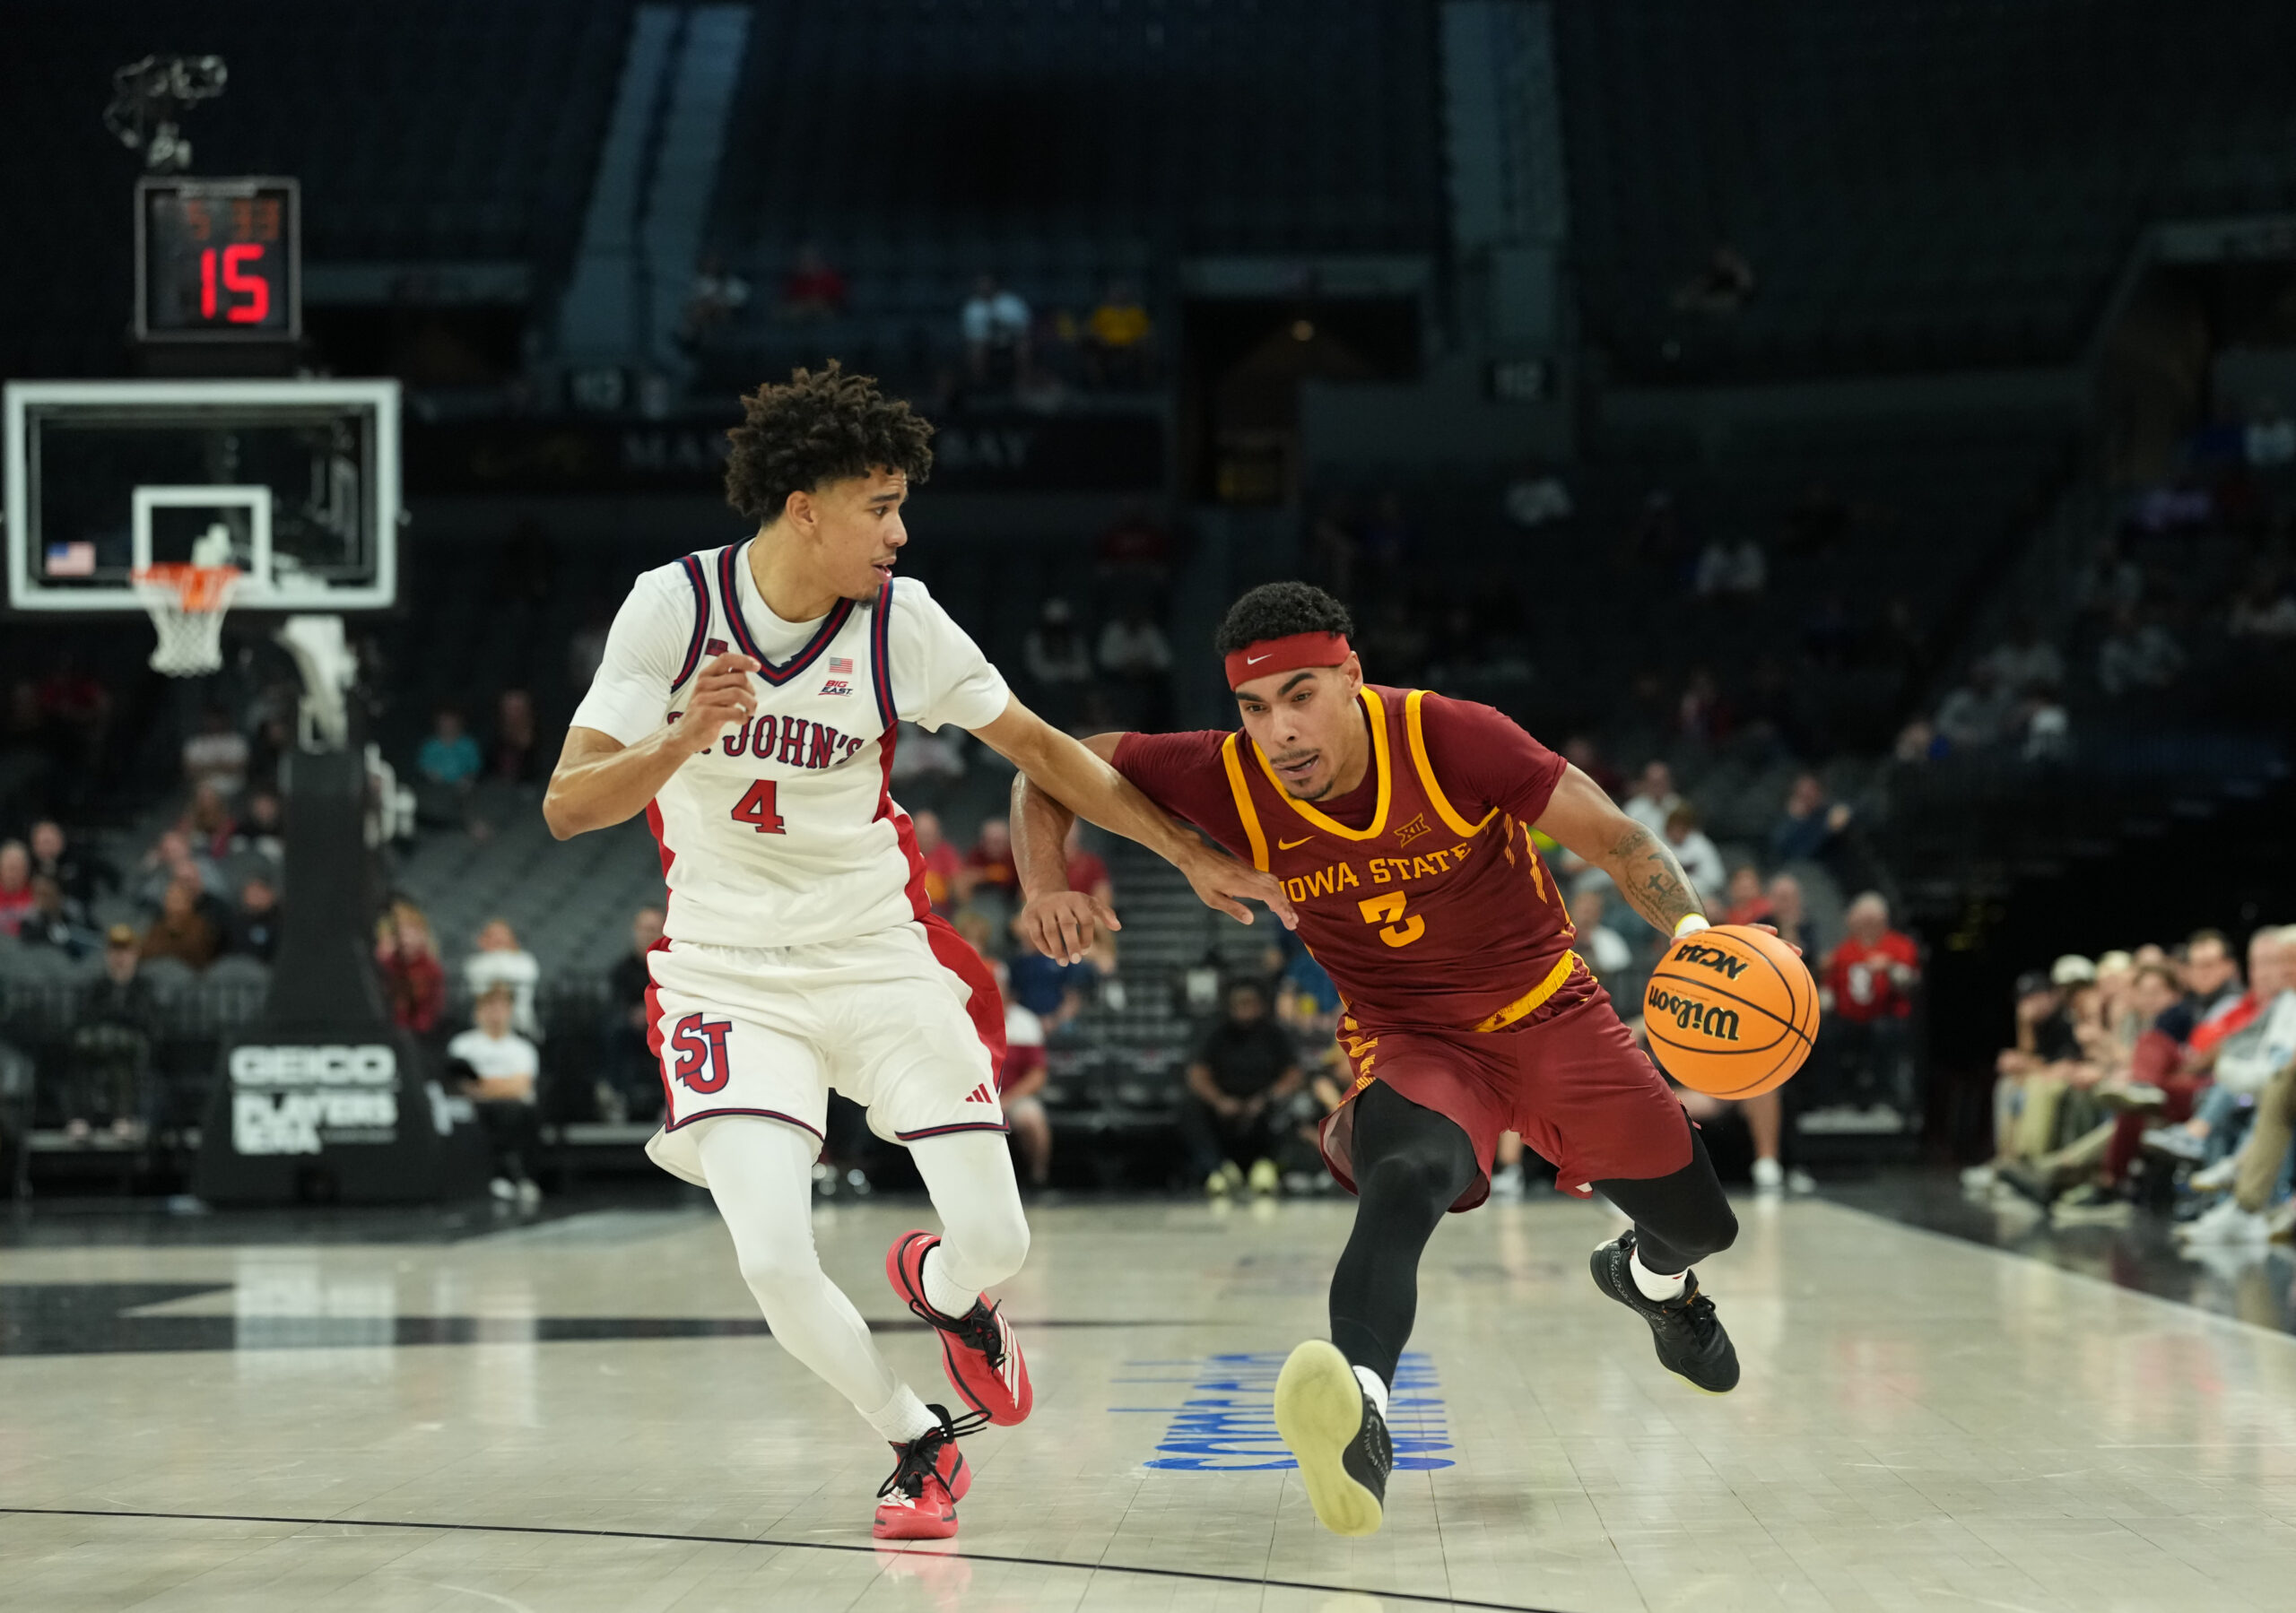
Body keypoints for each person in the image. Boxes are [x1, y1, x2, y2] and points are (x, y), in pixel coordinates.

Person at [540, 361, 1288, 1541]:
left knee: (998, 1238)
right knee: (774, 1259)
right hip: (727, 973)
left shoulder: (906, 622)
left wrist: (1188, 851)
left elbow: (1046, 749)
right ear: (805, 507)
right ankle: (914, 1437)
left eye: (902, 504)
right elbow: (569, 805)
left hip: (878, 952)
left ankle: (946, 1290)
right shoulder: (673, 608)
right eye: (880, 505)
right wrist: (686, 732)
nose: (901, 528)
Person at [1010, 580, 1747, 1538]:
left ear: (1352, 676)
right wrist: (1042, 879)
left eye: (1302, 695)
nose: (1279, 730)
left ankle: (1649, 1281)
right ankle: (1360, 1406)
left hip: (1551, 1012)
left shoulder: (1449, 735)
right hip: (1412, 1035)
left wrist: (1694, 933)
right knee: (1404, 1173)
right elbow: (1044, 768)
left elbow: (1616, 836)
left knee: (1700, 1226)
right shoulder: (1225, 774)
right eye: (1255, 706)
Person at [1177, 979, 1303, 1195]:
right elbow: (1197, 1074)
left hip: (1264, 1109)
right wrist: (1219, 1101)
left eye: (1248, 1002)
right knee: (1189, 1107)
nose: (1243, 1008)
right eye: (1238, 1003)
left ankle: (1268, 1169)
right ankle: (1217, 1171)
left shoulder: (1275, 1034)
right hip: (1225, 1108)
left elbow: (1294, 1075)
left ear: (1261, 1005)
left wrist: (1267, 1098)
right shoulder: (1215, 1033)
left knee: (1296, 1106)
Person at [1817, 893, 1920, 1115]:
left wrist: (1890, 968)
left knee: (1883, 1033)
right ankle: (1830, 1097)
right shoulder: (1844, 950)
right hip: (1849, 1019)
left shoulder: (1899, 946)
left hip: (1887, 1017)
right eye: (1862, 922)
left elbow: (1911, 983)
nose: (1867, 928)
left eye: (1872, 922)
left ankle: (1885, 1096)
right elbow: (1829, 990)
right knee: (1824, 1035)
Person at [447, 983, 544, 1206]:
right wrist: (499, 1085)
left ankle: (519, 1177)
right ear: (478, 1012)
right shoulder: (462, 1045)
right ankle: (498, 1176)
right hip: (475, 1109)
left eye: (500, 1008)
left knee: (516, 1113)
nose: (495, 1014)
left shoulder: (522, 1048)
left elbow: (520, 1087)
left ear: (510, 1012)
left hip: (513, 1108)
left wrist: (484, 1085)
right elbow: (460, 1084)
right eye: (489, 1008)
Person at [68, 925, 157, 1140]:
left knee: (120, 1054)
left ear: (135, 954)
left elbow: (146, 1020)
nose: (120, 958)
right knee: (83, 1055)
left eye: (125, 951)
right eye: (115, 951)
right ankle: (81, 1118)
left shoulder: (144, 985)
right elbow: (85, 1016)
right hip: (98, 1042)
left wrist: (115, 1016)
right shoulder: (98, 985)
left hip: (132, 1043)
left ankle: (123, 1118)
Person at [601, 906, 666, 1123]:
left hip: (664, 1024)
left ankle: (671, 1099)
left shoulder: (672, 966)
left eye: (653, 928)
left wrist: (652, 1012)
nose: (648, 933)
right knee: (614, 1029)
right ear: (634, 930)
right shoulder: (621, 969)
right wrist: (633, 1014)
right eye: (644, 928)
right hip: (631, 1029)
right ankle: (616, 1094)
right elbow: (616, 1003)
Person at [466, 917, 544, 1041]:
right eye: (493, 935)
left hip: (520, 1025)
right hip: (483, 1028)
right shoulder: (475, 963)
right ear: (484, 938)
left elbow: (522, 981)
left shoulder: (526, 961)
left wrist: (499, 955)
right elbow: (480, 986)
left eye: (502, 934)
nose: (498, 939)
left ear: (511, 937)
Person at [376, 902, 447, 1036]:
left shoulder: (431, 969)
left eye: (410, 933)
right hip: (384, 1031)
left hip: (419, 1035)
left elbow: (430, 1013)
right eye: (400, 934)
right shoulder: (384, 965)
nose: (405, 940)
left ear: (422, 935)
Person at [1770, 773, 1853, 866]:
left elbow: (1850, 809)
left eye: (1813, 790)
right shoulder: (1784, 828)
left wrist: (1845, 810)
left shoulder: (1824, 810)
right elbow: (1798, 856)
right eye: (1802, 793)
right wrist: (1826, 829)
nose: (1809, 795)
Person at [961, 276, 1031, 386]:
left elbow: (1023, 328)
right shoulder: (972, 307)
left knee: (1023, 346)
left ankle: (1023, 383)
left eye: (987, 283)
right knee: (975, 350)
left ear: (994, 284)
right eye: (981, 284)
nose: (984, 287)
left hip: (1010, 341)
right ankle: (980, 385)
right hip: (985, 343)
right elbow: (972, 336)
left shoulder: (1011, 302)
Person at [1083, 280, 1152, 387]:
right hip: (1106, 347)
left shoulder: (1136, 312)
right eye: (1116, 292)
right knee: (1091, 353)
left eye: (1122, 292)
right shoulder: (1102, 312)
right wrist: (1101, 340)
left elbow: (1146, 332)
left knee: (1147, 350)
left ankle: (1144, 386)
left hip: (1132, 347)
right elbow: (1091, 330)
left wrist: (1134, 343)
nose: (1119, 295)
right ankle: (1097, 388)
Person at [140, 874, 219, 968]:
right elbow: (145, 953)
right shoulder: (157, 927)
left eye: (177, 899)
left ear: (189, 903)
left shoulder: (201, 927)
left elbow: (197, 955)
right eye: (169, 897)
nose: (172, 903)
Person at [1661, 803, 1726, 898]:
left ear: (1688, 828)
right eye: (1673, 827)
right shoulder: (1659, 846)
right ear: (1667, 829)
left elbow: (1716, 879)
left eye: (1681, 827)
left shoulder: (1701, 845)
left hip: (1702, 897)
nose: (1677, 831)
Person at [182, 707, 249, 796]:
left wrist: (205, 767)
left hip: (234, 792)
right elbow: (190, 771)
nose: (214, 722)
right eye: (211, 719)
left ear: (225, 719)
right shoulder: (195, 743)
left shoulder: (237, 741)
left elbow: (239, 767)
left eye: (218, 719)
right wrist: (222, 765)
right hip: (202, 793)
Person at [910, 811, 964, 915]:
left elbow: (960, 890)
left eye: (929, 835)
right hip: (910, 911)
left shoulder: (947, 853)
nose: (926, 839)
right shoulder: (903, 853)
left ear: (938, 834)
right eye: (921, 835)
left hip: (940, 912)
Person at [778, 242, 848, 322]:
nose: (806, 262)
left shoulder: (831, 279)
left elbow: (840, 307)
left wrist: (818, 305)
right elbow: (787, 305)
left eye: (810, 258)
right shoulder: (795, 282)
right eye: (803, 259)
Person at [419, 707, 483, 787]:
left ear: (459, 724)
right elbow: (423, 765)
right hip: (435, 784)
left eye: (451, 723)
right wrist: (430, 774)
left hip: (462, 784)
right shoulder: (430, 745)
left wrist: (469, 778)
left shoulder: (468, 744)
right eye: (444, 723)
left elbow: (475, 766)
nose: (448, 727)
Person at [227, 875, 282, 963]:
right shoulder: (235, 922)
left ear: (271, 894)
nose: (254, 897)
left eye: (259, 892)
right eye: (250, 892)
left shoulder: (281, 923)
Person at [0, 839, 34, 935]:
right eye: (10, 868)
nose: (13, 874)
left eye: (19, 868)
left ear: (27, 870)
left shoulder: (38, 896)